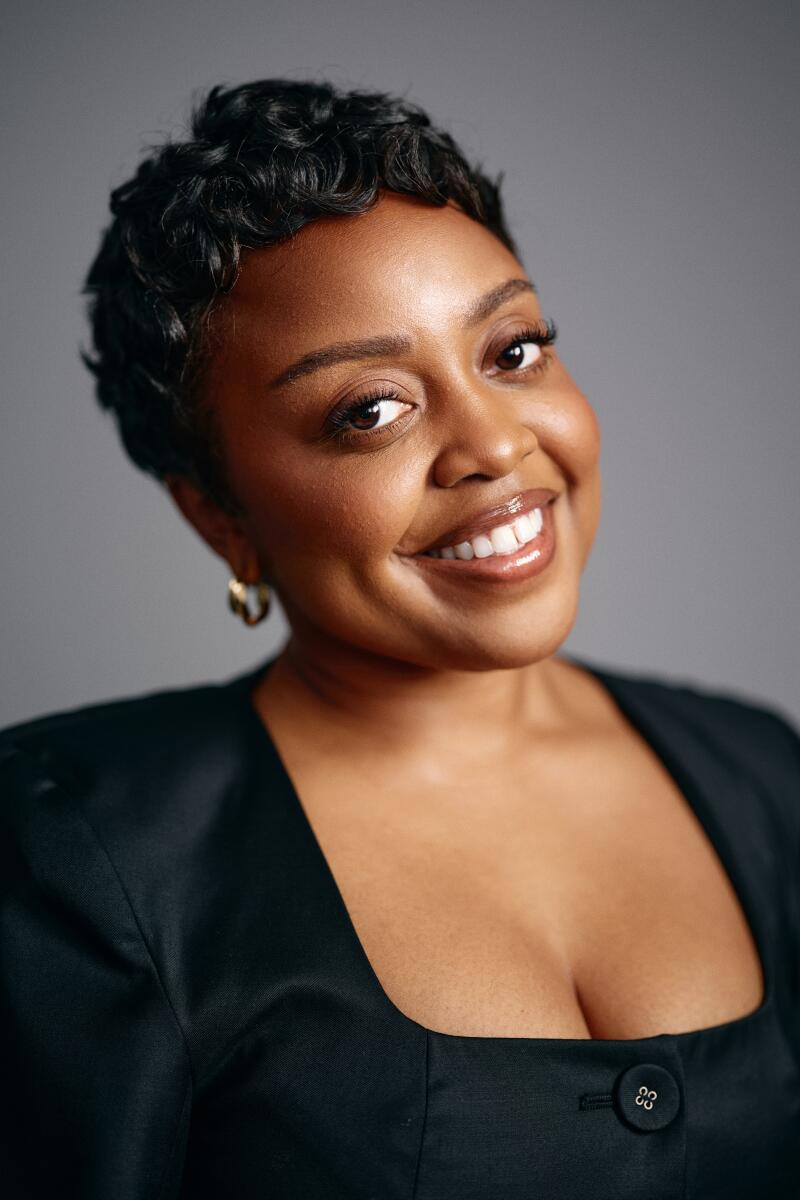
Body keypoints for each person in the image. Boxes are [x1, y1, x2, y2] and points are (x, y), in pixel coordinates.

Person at [1, 78, 798, 1200]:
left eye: (511, 350)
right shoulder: (75, 860)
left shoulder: (761, 773)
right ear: (218, 515)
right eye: (368, 409)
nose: (492, 443)